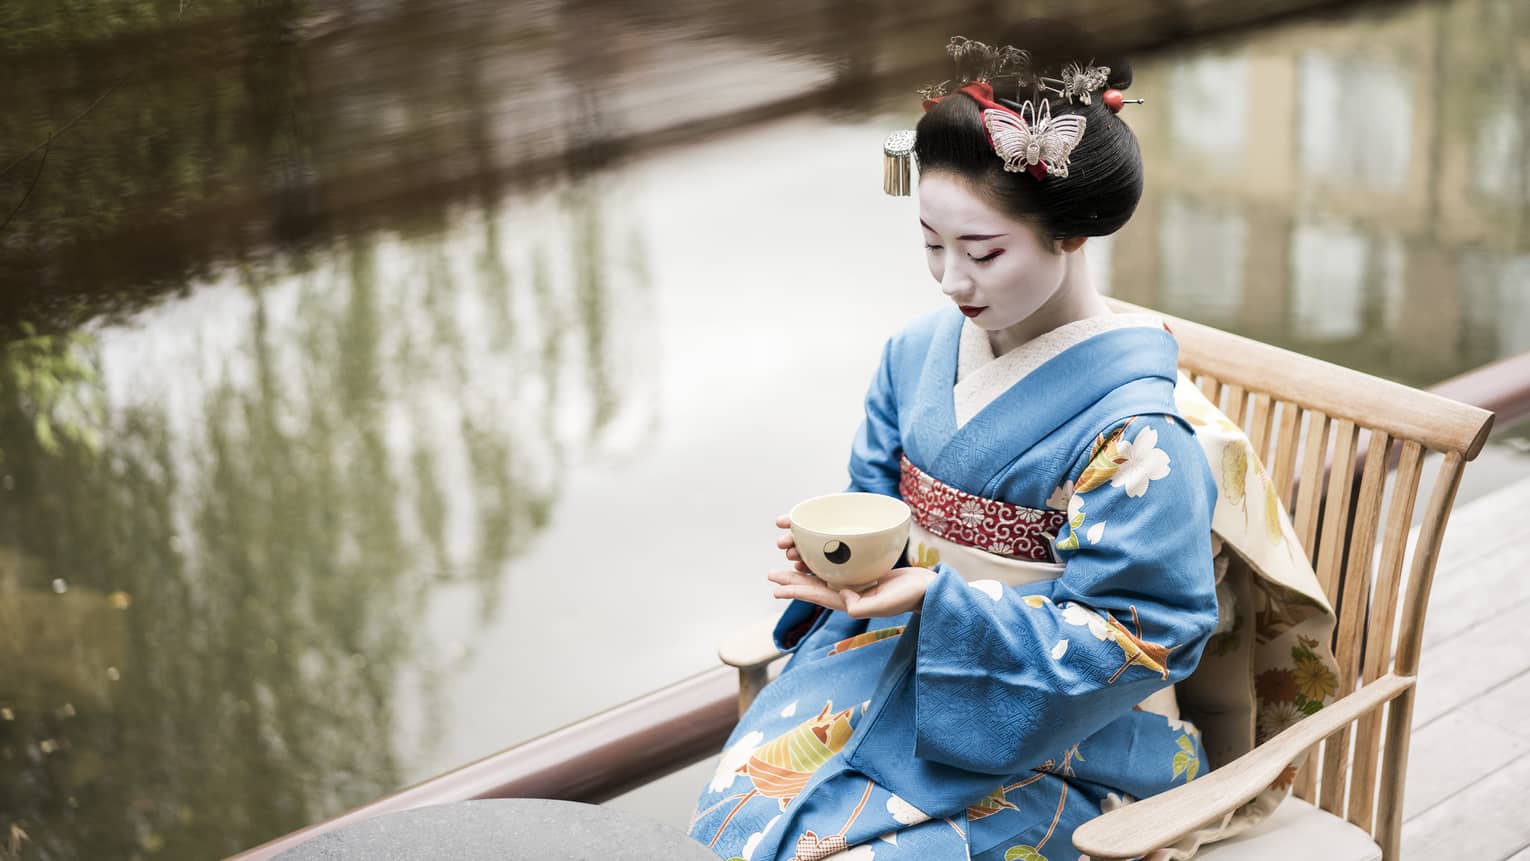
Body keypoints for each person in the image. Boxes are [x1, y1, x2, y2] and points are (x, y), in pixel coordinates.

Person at [688, 33, 1339, 861]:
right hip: (894, 673)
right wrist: (847, 562)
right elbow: (877, 498)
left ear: (1072, 233)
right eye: (931, 243)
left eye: (983, 251)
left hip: (1078, 735)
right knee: (742, 816)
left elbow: (1143, 637)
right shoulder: (913, 354)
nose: (951, 280)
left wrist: (935, 599)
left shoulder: (1142, 432)